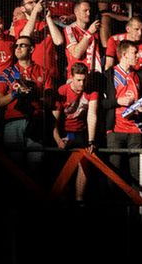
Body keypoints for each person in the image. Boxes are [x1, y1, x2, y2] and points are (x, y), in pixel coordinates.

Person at [102, 40, 142, 186]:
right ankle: (114, 208)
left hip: (136, 129)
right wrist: (118, 101)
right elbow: (100, 104)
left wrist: (141, 107)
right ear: (124, 55)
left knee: (138, 175)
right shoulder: (108, 75)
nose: (138, 56)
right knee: (114, 175)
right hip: (115, 130)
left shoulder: (140, 76)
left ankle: (138, 208)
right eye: (134, 53)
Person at [0, 32, 47, 167]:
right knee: (14, 166)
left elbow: (51, 101)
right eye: (16, 46)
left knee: (36, 164)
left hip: (36, 122)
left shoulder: (43, 71)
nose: (17, 48)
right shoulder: (7, 72)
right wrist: (15, 94)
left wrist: (35, 93)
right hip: (13, 122)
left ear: (31, 49)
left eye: (22, 45)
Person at [51, 61, 99, 201]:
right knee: (62, 166)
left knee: (85, 163)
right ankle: (62, 196)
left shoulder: (91, 91)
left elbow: (92, 115)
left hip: (80, 132)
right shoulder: (62, 90)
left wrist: (91, 140)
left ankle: (80, 199)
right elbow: (54, 119)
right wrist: (58, 139)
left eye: (84, 80)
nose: (81, 84)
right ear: (71, 77)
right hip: (64, 131)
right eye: (78, 80)